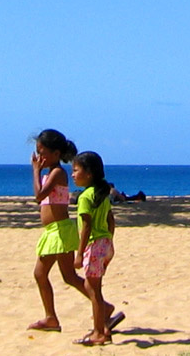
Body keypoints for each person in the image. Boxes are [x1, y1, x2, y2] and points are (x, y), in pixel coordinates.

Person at [28, 129, 85, 332]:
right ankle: (103, 307)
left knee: (40, 274)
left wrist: (35, 171)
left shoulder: (57, 173)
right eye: (37, 153)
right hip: (54, 230)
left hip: (59, 231)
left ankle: (51, 317)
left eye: (42, 153)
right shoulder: (50, 174)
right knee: (69, 277)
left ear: (56, 153)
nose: (39, 157)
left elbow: (39, 196)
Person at [72, 151, 126, 346]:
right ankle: (103, 325)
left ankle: (98, 332)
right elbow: (111, 220)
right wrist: (109, 240)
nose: (73, 175)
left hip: (94, 246)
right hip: (105, 245)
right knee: (93, 287)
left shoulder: (85, 197)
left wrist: (79, 253)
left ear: (89, 173)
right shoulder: (102, 194)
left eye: (76, 170)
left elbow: (86, 226)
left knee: (94, 292)